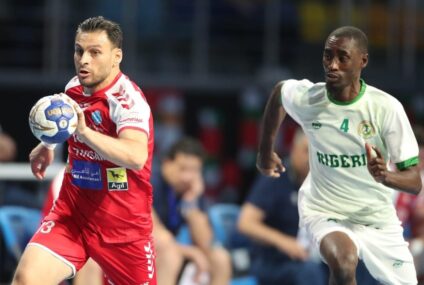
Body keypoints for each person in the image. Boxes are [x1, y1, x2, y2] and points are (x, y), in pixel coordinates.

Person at [256, 26, 422, 285]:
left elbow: (414, 182)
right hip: (324, 210)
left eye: (342, 57)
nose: (332, 65)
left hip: (376, 217)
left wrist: (385, 176)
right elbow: (279, 92)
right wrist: (265, 152)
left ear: (362, 61)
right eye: (327, 56)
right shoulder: (310, 99)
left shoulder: (386, 108)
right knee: (344, 263)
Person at [13, 16, 156, 285]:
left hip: (123, 230)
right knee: (26, 279)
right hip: (73, 216)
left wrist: (85, 133)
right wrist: (48, 145)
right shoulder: (73, 88)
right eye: (79, 50)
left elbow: (136, 157)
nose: (84, 60)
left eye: (94, 52)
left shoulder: (128, 101)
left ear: (117, 57)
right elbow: (66, 123)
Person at [238, 129, 326, 285]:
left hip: (314, 256)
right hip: (272, 260)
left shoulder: (323, 184)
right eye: (307, 151)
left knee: (357, 263)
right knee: (309, 271)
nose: (311, 159)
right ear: (293, 149)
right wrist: (284, 242)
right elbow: (245, 223)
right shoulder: (275, 177)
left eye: (317, 154)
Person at [153, 137, 232, 285]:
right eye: (182, 169)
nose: (187, 177)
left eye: (194, 171)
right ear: (166, 163)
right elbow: (154, 234)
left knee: (220, 259)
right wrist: (190, 252)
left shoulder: (192, 191)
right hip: (149, 248)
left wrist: (191, 202)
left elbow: (205, 241)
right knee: (171, 255)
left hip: (174, 247)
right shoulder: (151, 182)